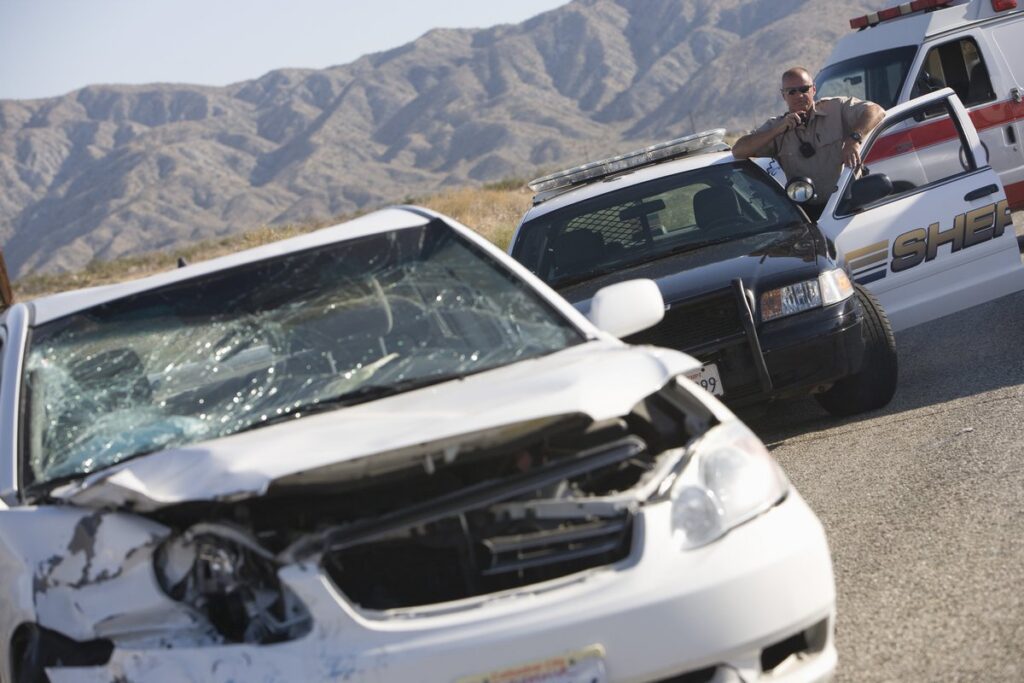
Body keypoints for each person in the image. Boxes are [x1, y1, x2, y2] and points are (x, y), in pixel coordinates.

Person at [732, 66, 884, 220]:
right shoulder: (776, 127)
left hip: (849, 205)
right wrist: (777, 130)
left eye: (804, 89)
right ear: (783, 95)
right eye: (792, 91)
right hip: (809, 214)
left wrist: (854, 140)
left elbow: (876, 111)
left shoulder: (835, 109)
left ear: (814, 89)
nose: (799, 95)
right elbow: (738, 151)